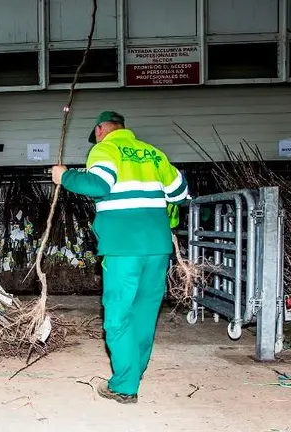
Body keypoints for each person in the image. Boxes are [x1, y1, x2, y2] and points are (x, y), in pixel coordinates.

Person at [51, 111, 189, 404]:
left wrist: (65, 176)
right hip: (158, 246)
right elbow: (180, 193)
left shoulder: (106, 148)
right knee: (144, 313)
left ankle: (124, 386)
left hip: (123, 247)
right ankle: (134, 373)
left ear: (101, 129)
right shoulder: (153, 153)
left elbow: (98, 185)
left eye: (96, 133)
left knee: (117, 316)